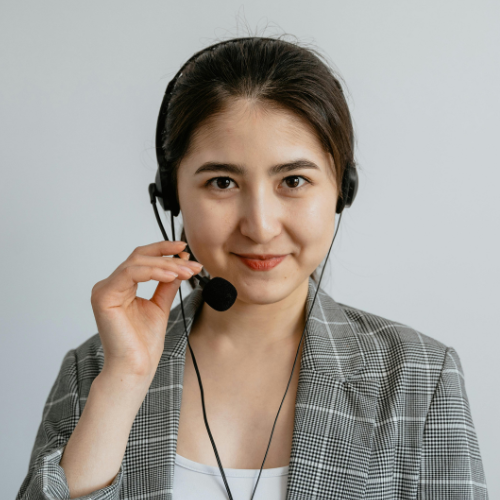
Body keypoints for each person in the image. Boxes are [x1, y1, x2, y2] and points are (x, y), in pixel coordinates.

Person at [16, 36, 488, 500]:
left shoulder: (420, 376)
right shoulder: (95, 370)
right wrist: (123, 383)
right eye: (222, 182)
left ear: (341, 190)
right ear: (172, 196)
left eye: (294, 180)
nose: (260, 227)